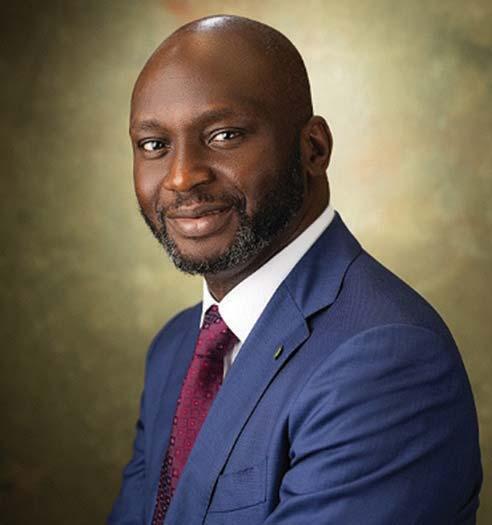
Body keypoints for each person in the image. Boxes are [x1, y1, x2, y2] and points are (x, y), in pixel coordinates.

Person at [108, 14, 482, 525]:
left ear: (313, 149)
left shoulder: (387, 359)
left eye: (224, 135)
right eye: (154, 145)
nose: (181, 177)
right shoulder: (176, 349)